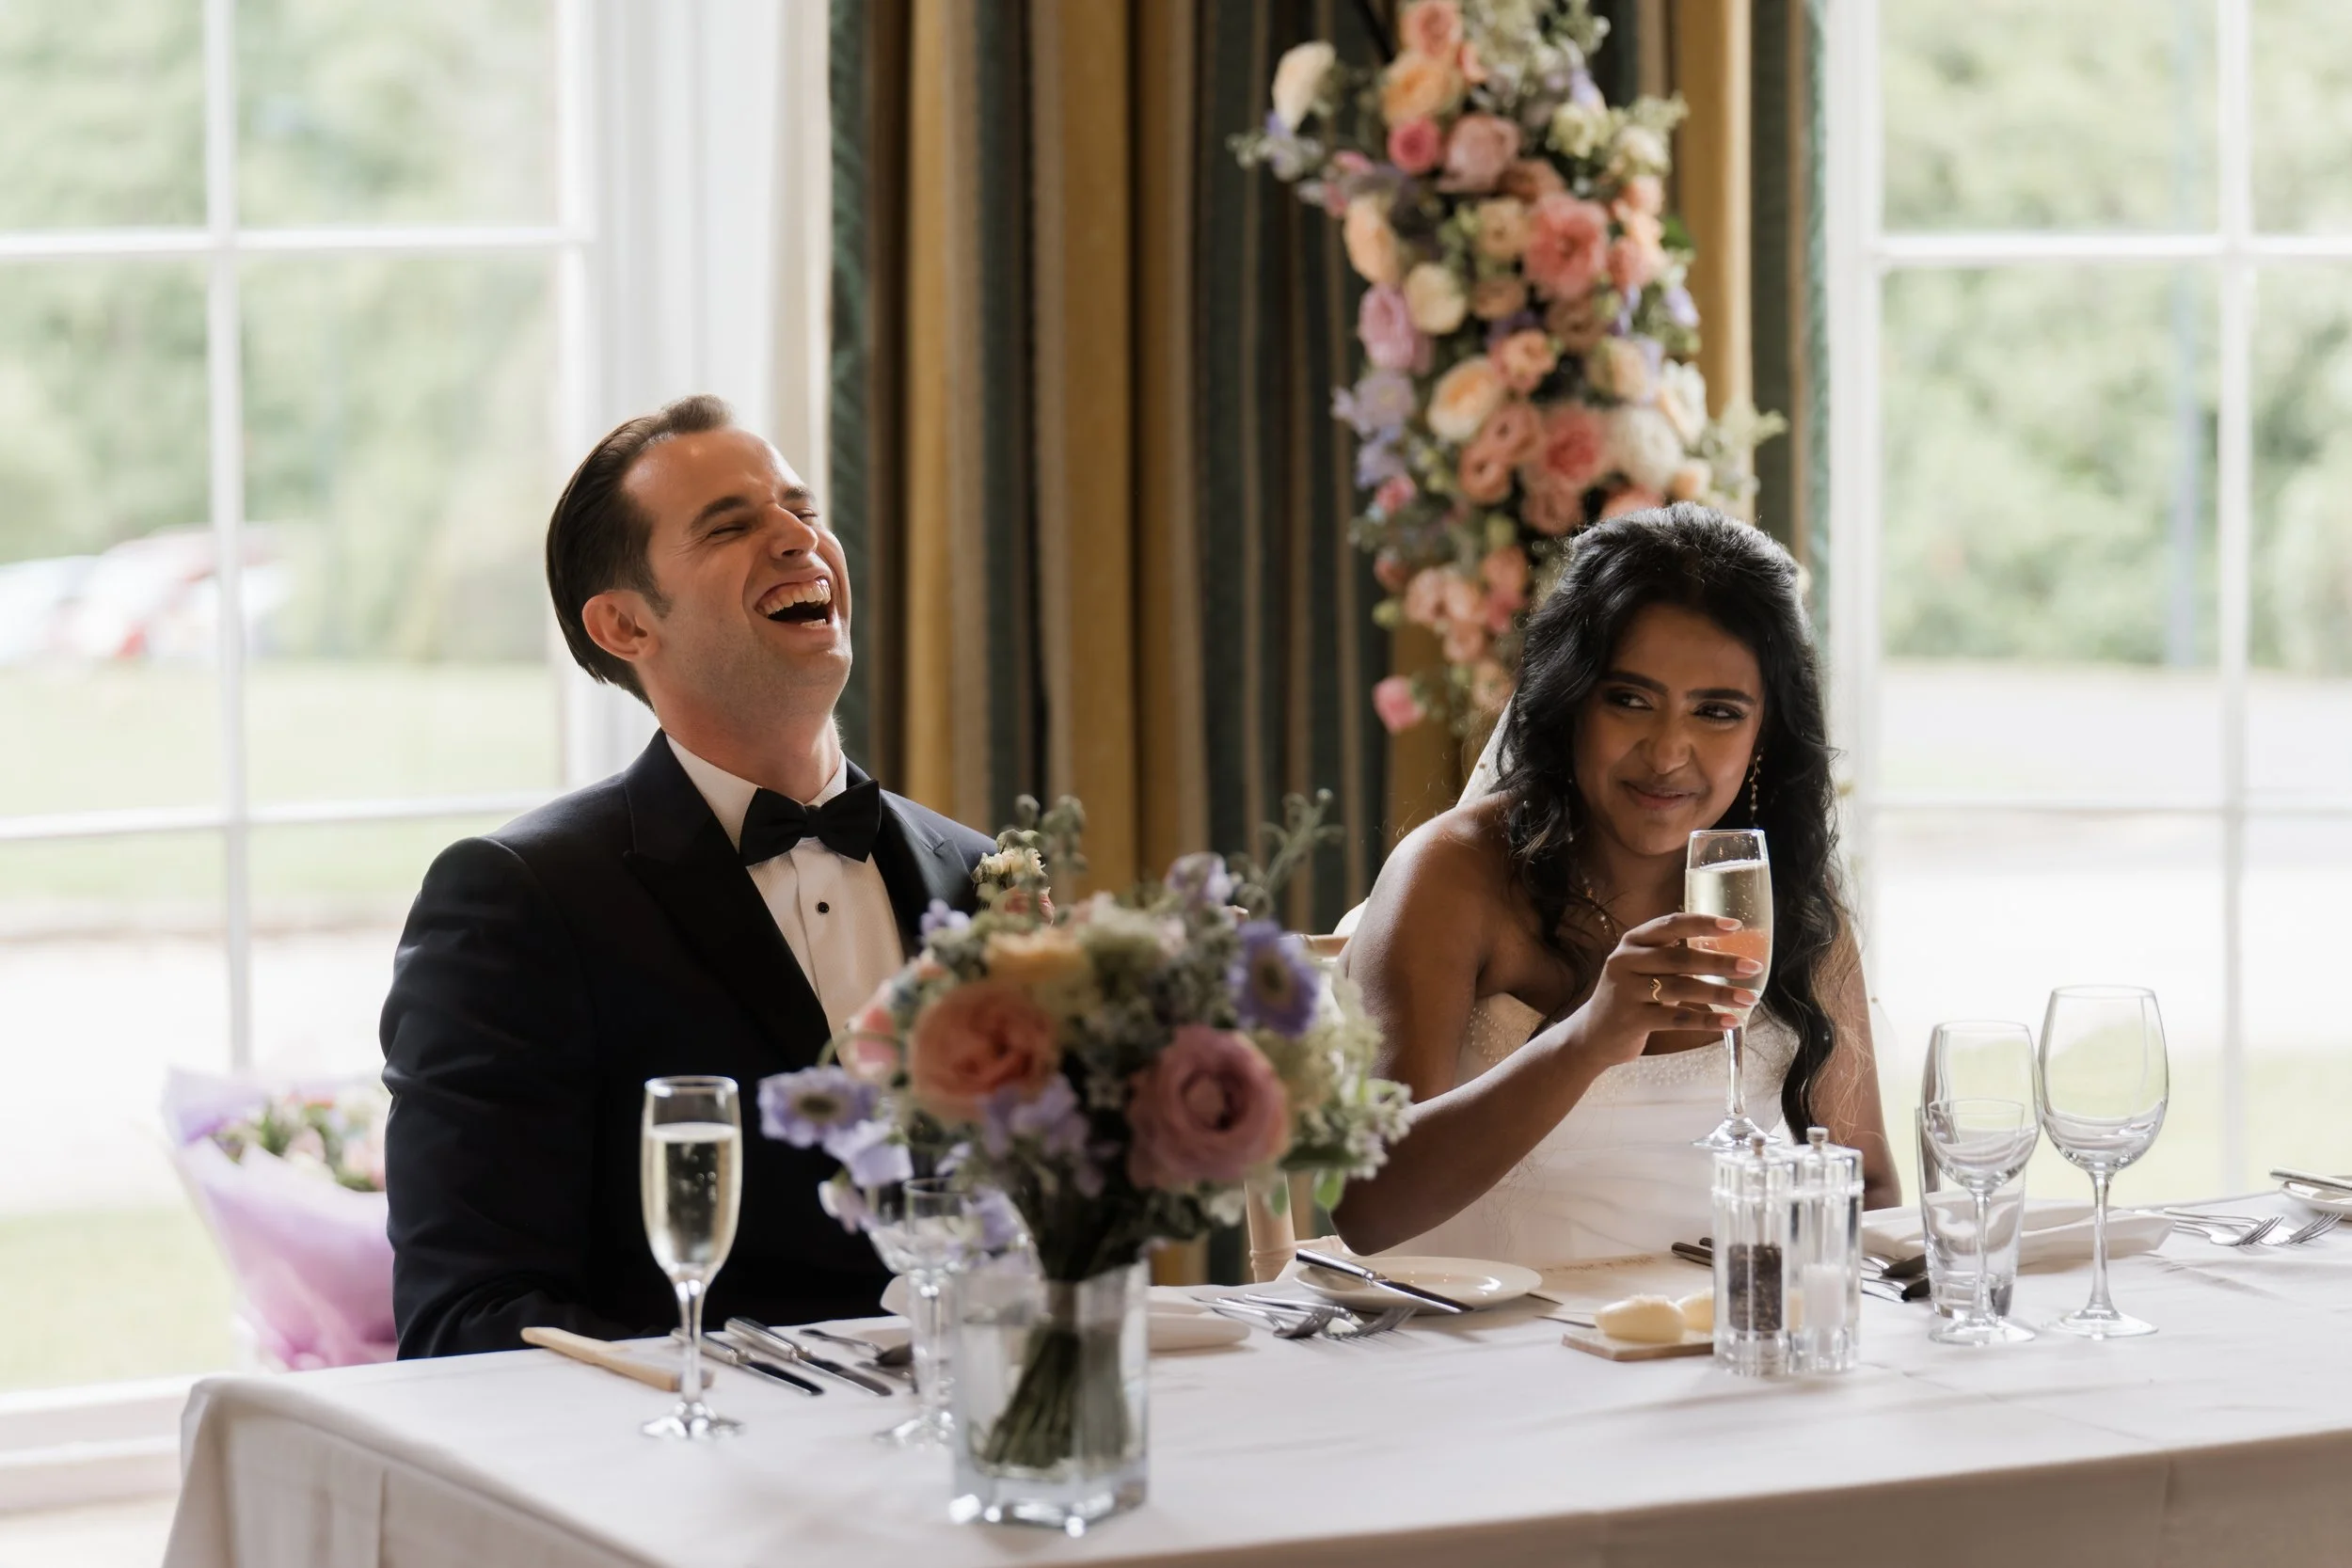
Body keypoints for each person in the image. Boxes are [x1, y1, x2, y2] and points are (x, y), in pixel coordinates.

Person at [381, 394, 993, 1356]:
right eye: (732, 525)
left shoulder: (982, 877)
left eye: (801, 508)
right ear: (625, 624)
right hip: (696, 1482)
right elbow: (472, 1313)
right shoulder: (517, 902)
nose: (798, 537)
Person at [1334, 503, 1897, 1267]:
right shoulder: (1455, 875)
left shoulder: (1781, 894)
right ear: (1572, 700)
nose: (1668, 752)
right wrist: (1588, 1038)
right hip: (1487, 1362)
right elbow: (1369, 1208)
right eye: (1630, 699)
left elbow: (1868, 1190)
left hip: (1722, 1356)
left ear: (1764, 734)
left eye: (1717, 712)